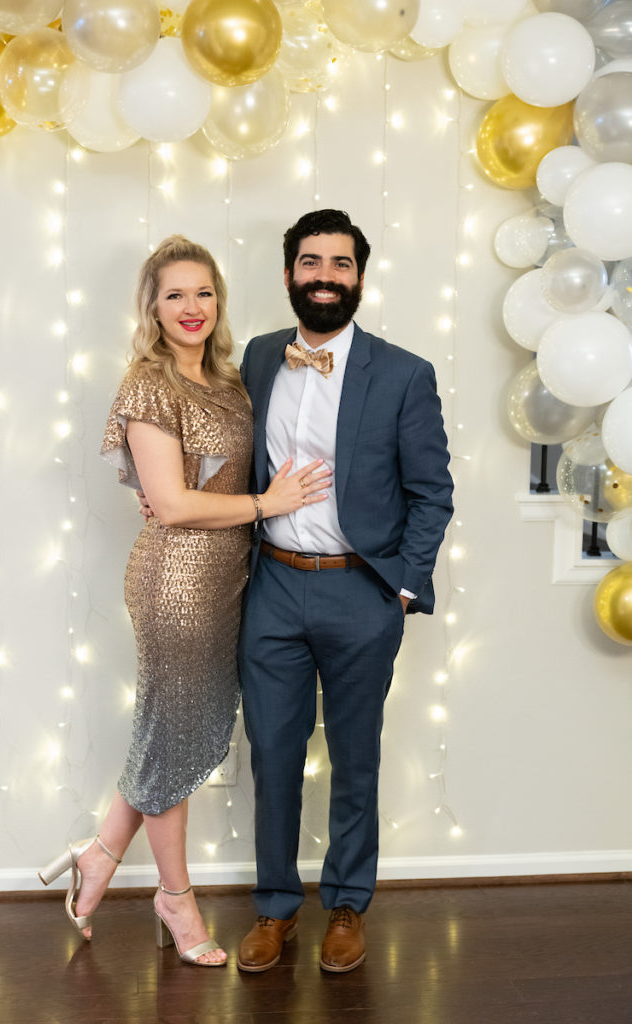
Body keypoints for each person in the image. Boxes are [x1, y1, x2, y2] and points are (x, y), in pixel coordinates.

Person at [38, 235, 330, 967]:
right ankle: (175, 898)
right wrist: (267, 503)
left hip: (229, 581)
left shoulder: (230, 382)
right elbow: (170, 503)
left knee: (178, 732)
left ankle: (101, 852)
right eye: (175, 295)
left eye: (203, 292)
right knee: (178, 739)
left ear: (218, 302)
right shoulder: (148, 383)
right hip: (174, 582)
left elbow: (203, 479)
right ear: (153, 308)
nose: (191, 308)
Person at [235, 209, 454, 974]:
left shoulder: (402, 373)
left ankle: (348, 905)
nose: (324, 276)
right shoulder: (260, 358)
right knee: (272, 754)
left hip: (362, 594)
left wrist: (401, 587)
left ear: (360, 276)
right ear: (290, 274)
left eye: (340, 264)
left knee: (355, 758)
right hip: (271, 590)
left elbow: (433, 494)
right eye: (310, 262)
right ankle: (273, 909)